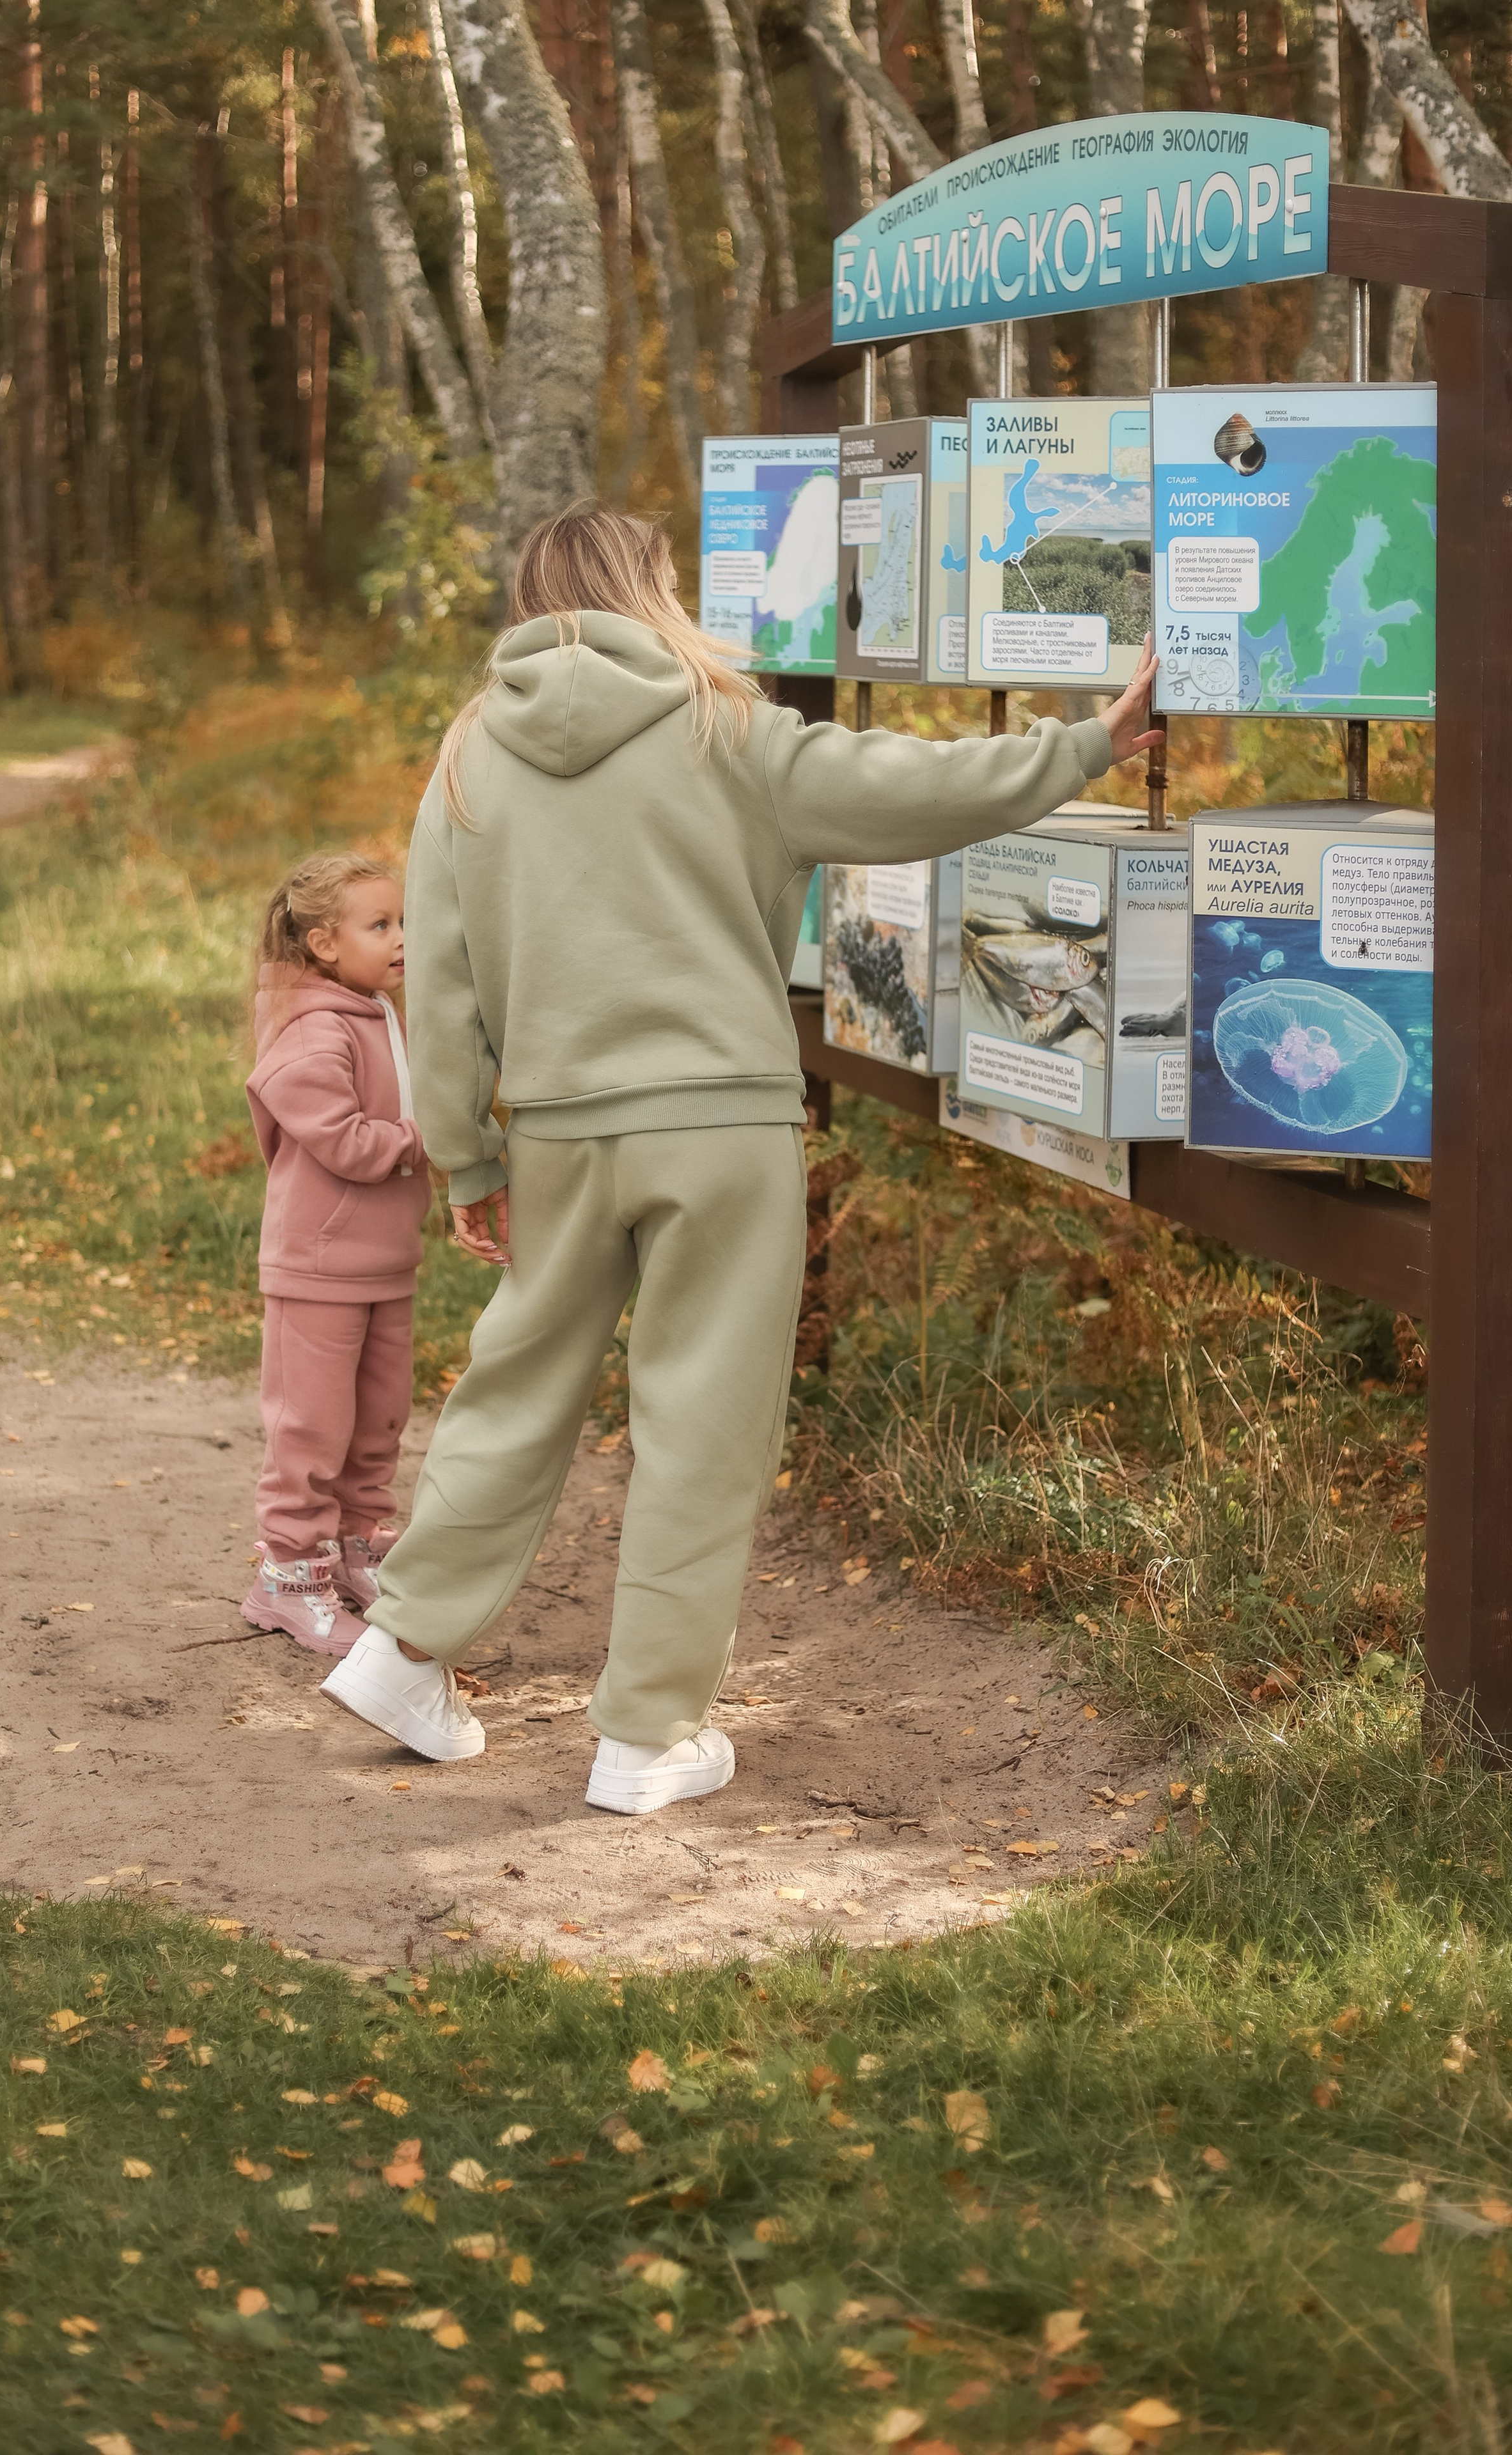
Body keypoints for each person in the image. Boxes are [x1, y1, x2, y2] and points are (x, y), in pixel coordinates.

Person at [322, 506, 1162, 1812]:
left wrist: (467, 1162)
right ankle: (643, 1736)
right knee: (700, 1419)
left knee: (515, 1387)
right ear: (644, 593)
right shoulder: (725, 727)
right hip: (717, 1125)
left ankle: (402, 1646)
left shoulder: (467, 759)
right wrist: (1089, 743)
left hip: (552, 1130)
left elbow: (437, 977)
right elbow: (907, 787)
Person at [240, 852, 428, 1658]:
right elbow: (346, 1142)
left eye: (402, 921)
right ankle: (287, 1577)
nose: (400, 939)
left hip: (385, 1261)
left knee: (378, 1421)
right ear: (322, 943)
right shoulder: (311, 1031)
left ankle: (357, 1548)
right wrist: (429, 1143)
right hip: (317, 1267)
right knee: (310, 1430)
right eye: (379, 924)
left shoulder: (378, 1014)